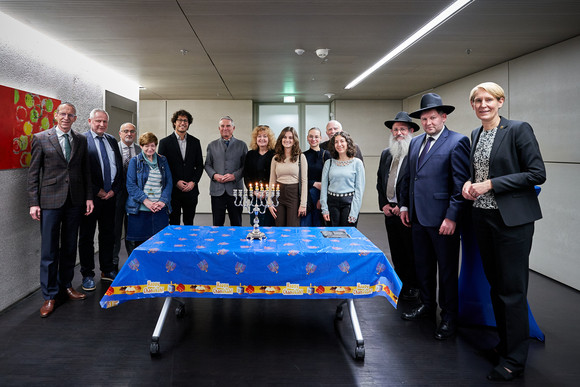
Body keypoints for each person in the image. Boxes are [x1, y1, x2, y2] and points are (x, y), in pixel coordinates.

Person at [462, 82, 546, 381]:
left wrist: (492, 184)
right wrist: (470, 183)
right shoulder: (476, 134)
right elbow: (480, 171)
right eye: (477, 100)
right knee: (496, 288)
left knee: (512, 290)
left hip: (513, 222)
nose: (482, 104)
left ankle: (515, 359)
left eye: (488, 99)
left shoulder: (519, 129)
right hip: (484, 218)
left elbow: (537, 174)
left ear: (500, 101)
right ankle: (506, 344)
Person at [398, 93, 470, 340]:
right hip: (418, 217)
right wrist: (405, 207)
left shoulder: (457, 141)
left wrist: (452, 217)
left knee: (447, 271)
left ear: (443, 117)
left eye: (432, 118)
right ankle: (428, 307)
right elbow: (409, 178)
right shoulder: (415, 142)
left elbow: (460, 184)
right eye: (424, 118)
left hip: (443, 221)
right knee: (423, 268)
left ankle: (449, 316)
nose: (428, 122)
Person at [27, 102, 93, 317]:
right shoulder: (40, 138)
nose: (66, 118)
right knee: (48, 250)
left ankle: (66, 286)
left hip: (74, 202)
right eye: (62, 114)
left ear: (75, 118)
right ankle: (49, 296)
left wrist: (89, 198)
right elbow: (33, 173)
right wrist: (34, 202)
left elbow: (85, 172)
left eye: (70, 115)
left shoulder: (81, 140)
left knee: (69, 247)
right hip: (49, 202)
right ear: (55, 116)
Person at [78, 109, 123, 291]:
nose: (102, 125)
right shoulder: (81, 140)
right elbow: (79, 171)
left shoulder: (111, 140)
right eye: (98, 121)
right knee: (87, 237)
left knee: (108, 234)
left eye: (104, 121)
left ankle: (106, 270)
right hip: (91, 198)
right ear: (89, 121)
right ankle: (87, 274)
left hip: (110, 197)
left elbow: (118, 167)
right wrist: (97, 191)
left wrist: (114, 190)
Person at [376, 111, 420, 301]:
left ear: (410, 130)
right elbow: (380, 181)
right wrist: (384, 205)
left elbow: (414, 184)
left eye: (402, 129)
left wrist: (402, 206)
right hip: (389, 211)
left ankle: (414, 286)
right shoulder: (387, 154)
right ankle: (400, 282)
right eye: (395, 130)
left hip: (406, 213)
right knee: (396, 250)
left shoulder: (415, 153)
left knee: (410, 251)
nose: (398, 133)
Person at [126, 132, 173, 247]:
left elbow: (169, 182)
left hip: (159, 209)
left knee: (161, 243)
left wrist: (162, 202)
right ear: (141, 146)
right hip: (140, 210)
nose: (150, 149)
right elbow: (131, 185)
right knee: (140, 245)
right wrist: (147, 202)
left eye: (152, 145)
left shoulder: (163, 160)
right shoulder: (135, 161)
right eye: (146, 146)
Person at [158, 109, 203, 225]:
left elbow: (199, 165)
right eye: (180, 120)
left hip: (191, 190)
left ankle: (189, 243)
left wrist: (193, 182)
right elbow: (162, 167)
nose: (182, 123)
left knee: (189, 222)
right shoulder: (165, 142)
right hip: (173, 190)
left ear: (188, 124)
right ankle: (174, 244)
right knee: (173, 222)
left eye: (185, 121)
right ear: (174, 122)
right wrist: (176, 181)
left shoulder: (195, 142)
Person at [204, 116, 248, 226]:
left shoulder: (242, 145)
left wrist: (235, 176)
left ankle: (237, 243)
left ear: (233, 128)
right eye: (222, 126)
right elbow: (207, 165)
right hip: (217, 190)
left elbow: (245, 166)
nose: (225, 128)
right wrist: (214, 175)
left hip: (235, 190)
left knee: (236, 222)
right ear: (219, 128)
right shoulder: (212, 145)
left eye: (228, 126)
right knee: (217, 223)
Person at [320, 131, 365, 227]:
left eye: (342, 141)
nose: (339, 144)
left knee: (347, 237)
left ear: (348, 143)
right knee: (331, 236)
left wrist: (354, 212)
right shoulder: (329, 163)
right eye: (336, 142)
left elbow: (359, 190)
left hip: (349, 204)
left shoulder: (357, 163)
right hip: (331, 204)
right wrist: (324, 209)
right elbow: (323, 187)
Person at [113, 122, 140, 268]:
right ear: (120, 133)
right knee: (115, 231)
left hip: (134, 197)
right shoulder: (112, 148)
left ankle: (133, 263)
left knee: (132, 232)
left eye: (132, 131)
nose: (129, 134)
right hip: (116, 196)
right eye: (125, 131)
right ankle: (113, 264)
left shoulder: (139, 149)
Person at [268, 126, 307, 227]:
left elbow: (304, 182)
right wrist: (269, 202)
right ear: (281, 139)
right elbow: (272, 181)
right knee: (279, 227)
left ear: (295, 141)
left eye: (290, 138)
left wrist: (303, 204)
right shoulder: (275, 158)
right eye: (284, 137)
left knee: (292, 227)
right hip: (278, 194)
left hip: (293, 195)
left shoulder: (300, 157)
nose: (287, 140)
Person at [243, 125, 276, 227]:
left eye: (265, 136)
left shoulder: (275, 155)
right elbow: (246, 175)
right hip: (255, 196)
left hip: (271, 196)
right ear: (255, 139)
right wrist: (253, 191)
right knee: (256, 224)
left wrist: (269, 191)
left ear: (269, 139)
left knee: (270, 225)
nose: (262, 139)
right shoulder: (250, 154)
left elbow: (277, 175)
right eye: (259, 136)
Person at [301, 127, 328, 227]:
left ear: (320, 138)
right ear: (307, 138)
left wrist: (322, 199)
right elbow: (300, 178)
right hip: (306, 195)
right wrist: (314, 183)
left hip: (321, 195)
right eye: (311, 136)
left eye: (316, 137)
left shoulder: (326, 155)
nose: (313, 139)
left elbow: (329, 178)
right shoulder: (303, 156)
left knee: (319, 226)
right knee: (305, 226)